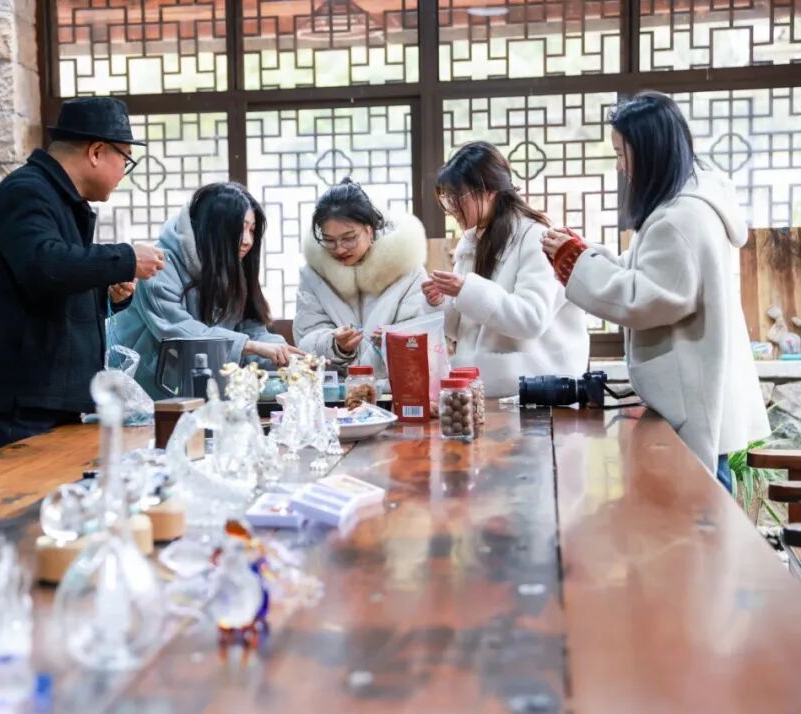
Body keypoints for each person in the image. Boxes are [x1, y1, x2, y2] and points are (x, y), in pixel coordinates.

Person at [542, 91, 769, 490]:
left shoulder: (681, 218)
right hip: (696, 382)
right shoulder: (685, 203)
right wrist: (583, 254)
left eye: (621, 153)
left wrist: (576, 263)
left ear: (650, 151)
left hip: (691, 389)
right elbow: (642, 271)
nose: (620, 166)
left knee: (698, 510)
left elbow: (648, 299)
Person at [0, 97, 166, 459]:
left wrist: (107, 294)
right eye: (126, 159)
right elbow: (45, 267)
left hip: (47, 403)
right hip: (17, 409)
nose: (124, 171)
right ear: (96, 152)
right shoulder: (26, 192)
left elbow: (54, 286)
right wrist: (126, 259)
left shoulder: (60, 200)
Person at [423, 141, 589, 397]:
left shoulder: (537, 238)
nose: (452, 208)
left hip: (537, 389)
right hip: (486, 387)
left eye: (458, 197)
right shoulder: (472, 242)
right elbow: (464, 330)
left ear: (489, 191)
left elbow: (531, 319)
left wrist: (467, 289)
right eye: (447, 199)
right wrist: (440, 302)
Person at [115, 182, 301, 399]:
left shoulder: (232, 265)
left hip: (205, 390)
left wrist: (281, 354)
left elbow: (252, 329)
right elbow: (179, 333)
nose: (248, 241)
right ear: (213, 228)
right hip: (146, 395)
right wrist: (248, 345)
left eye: (251, 230)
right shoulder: (158, 265)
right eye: (240, 229)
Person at [293, 179, 429, 379]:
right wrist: (334, 344)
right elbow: (305, 337)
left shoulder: (407, 269)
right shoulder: (314, 275)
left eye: (349, 238)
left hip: (396, 388)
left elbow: (423, 331)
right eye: (329, 241)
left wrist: (392, 341)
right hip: (336, 390)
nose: (339, 249)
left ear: (369, 230)